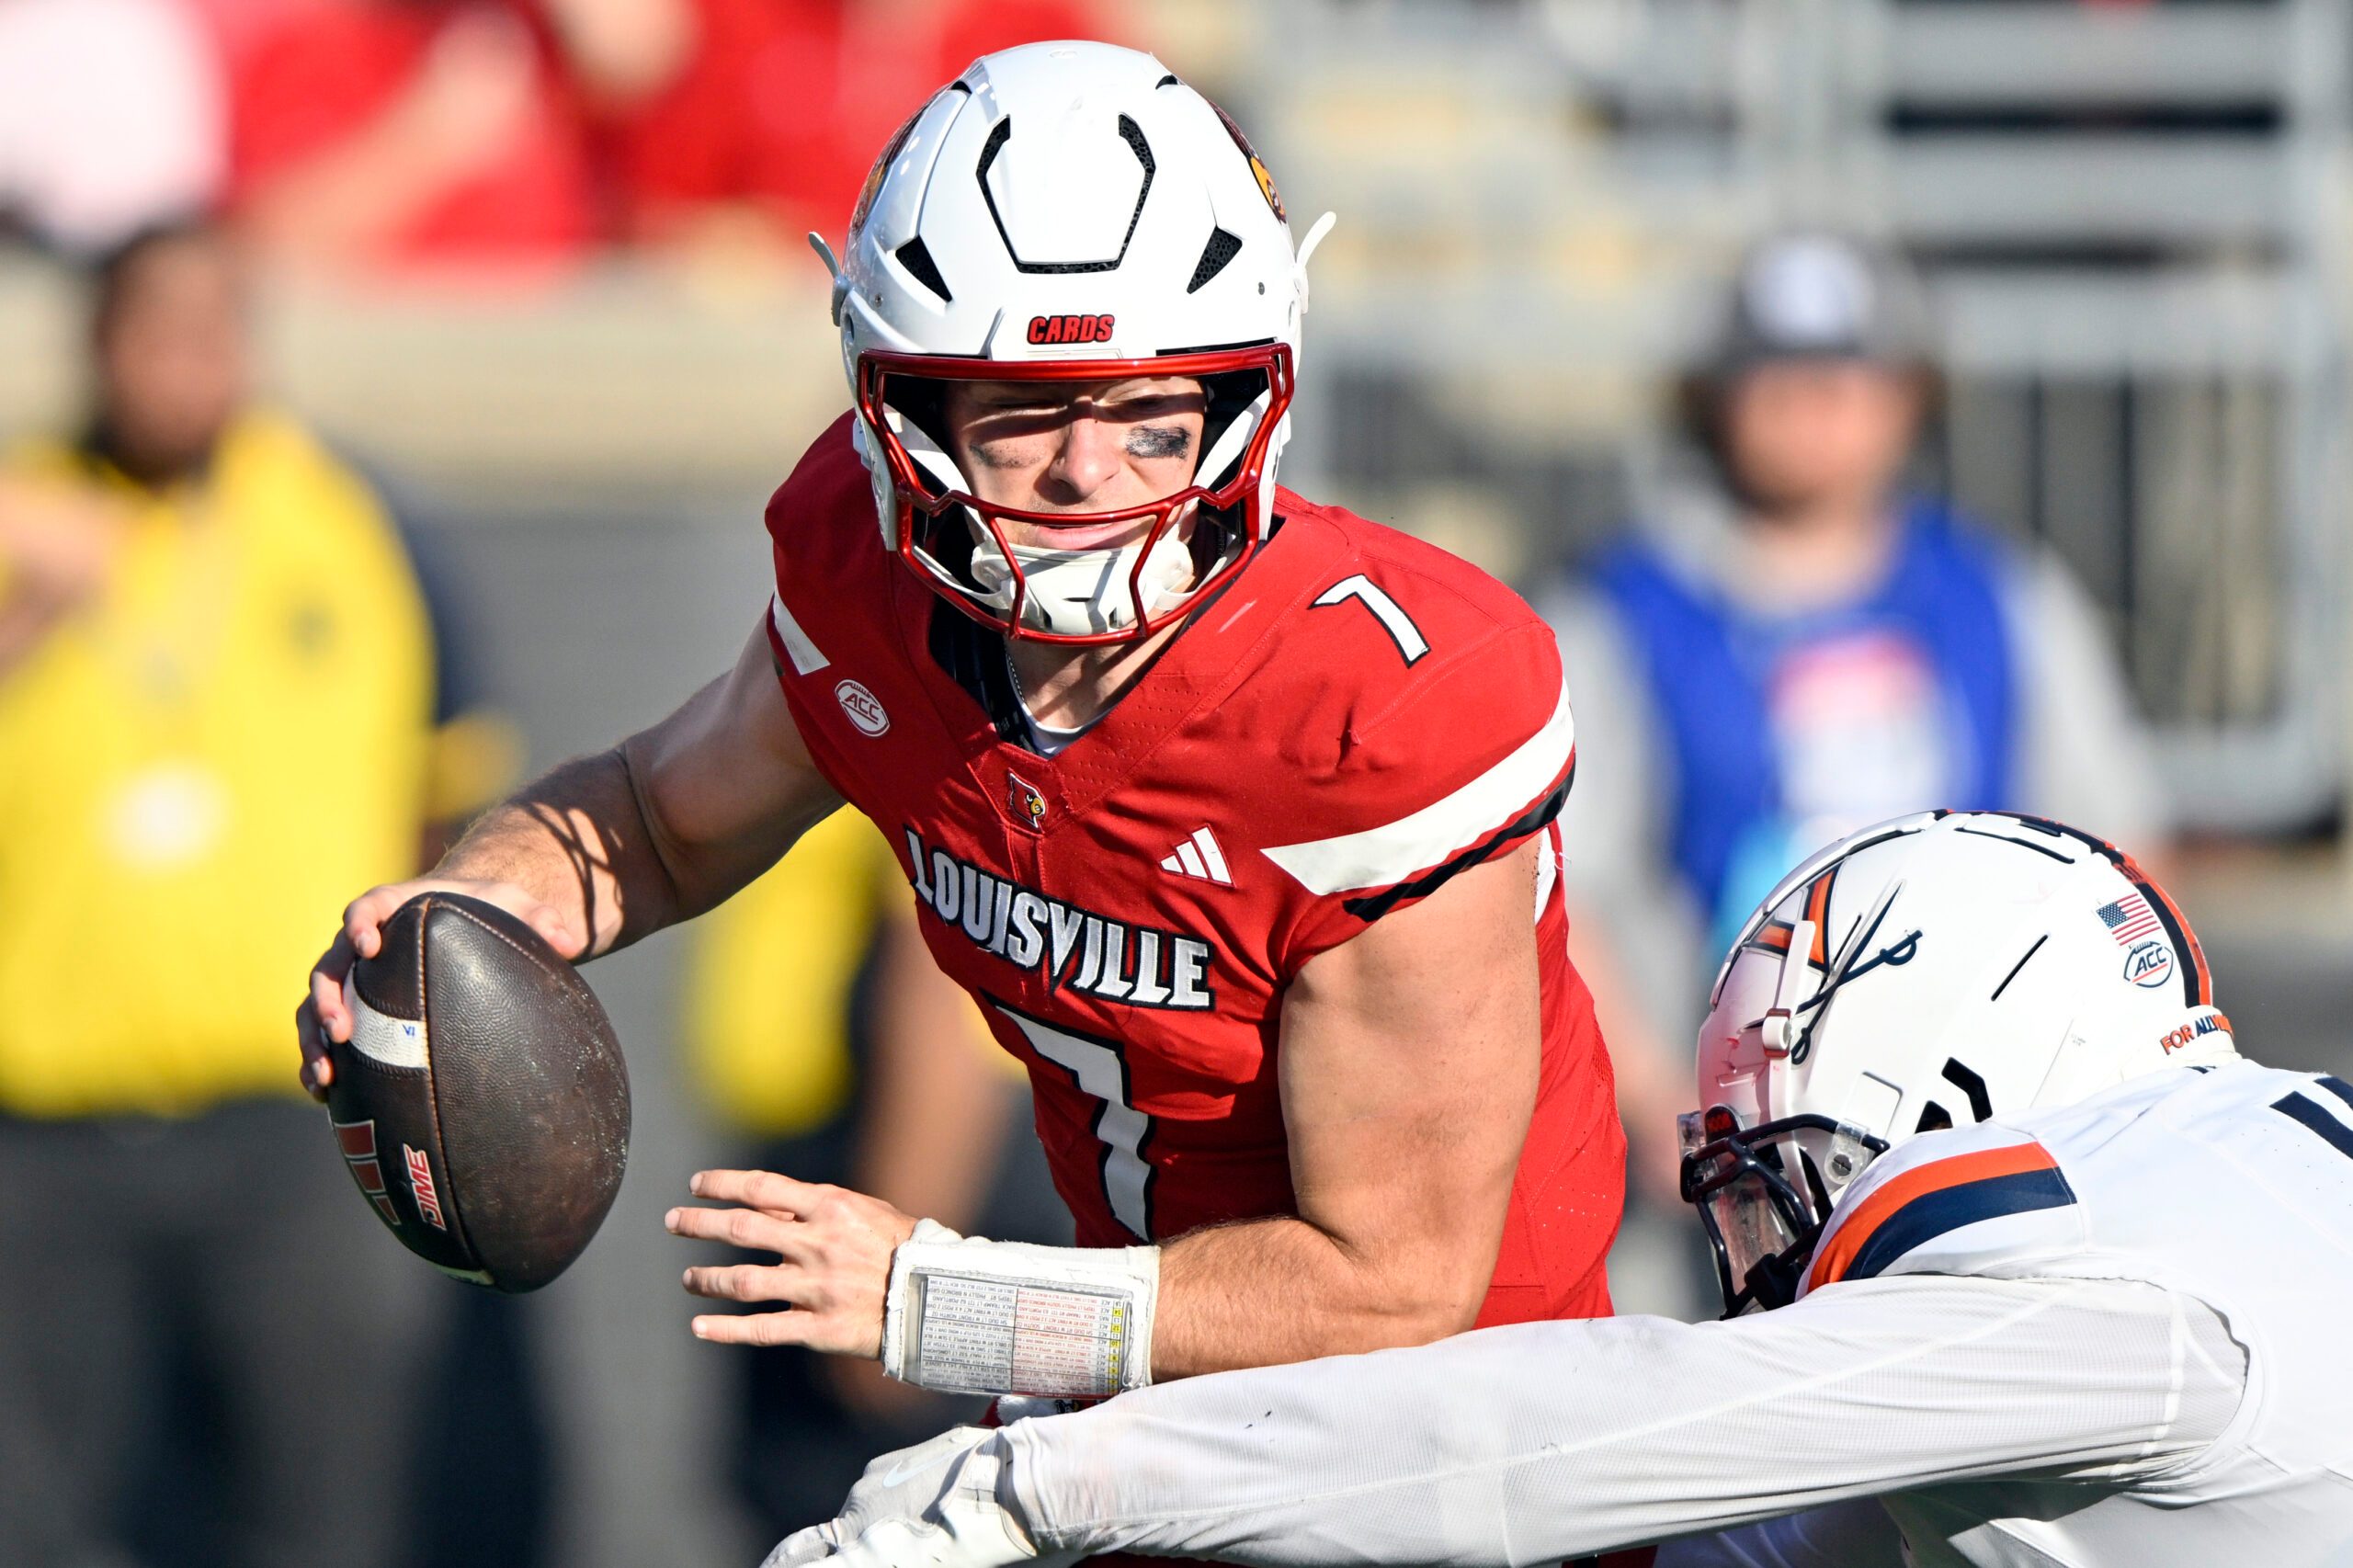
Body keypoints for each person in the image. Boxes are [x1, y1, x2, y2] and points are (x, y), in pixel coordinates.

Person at [299, 36, 1632, 1510]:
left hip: (1466, 1471)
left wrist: (940, 1299)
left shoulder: (1374, 710)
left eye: (1149, 413)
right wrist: (464, 912)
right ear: (904, 412)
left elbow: (1395, 1290)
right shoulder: (881, 589)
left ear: (1251, 393)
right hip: (1154, 1426)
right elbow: (659, 823)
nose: (1086, 475)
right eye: (1019, 412)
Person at [774, 808, 2353, 1568]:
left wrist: (1051, 1478)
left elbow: (1546, 1436)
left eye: (1779, 1194)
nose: (1772, 1269)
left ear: (1951, 1088)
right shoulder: (2250, 1187)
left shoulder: (2113, 1298)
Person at [1551, 231, 2172, 1217]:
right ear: (1710, 400)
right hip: (1707, 1154)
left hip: (1982, 1138)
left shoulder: (2000, 596)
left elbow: (2119, 860)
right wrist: (1665, 1114)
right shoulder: (1621, 615)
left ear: (1910, 397)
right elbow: (1563, 891)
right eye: (1776, 377)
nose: (1814, 406)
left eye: (1848, 375)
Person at [0, 219, 444, 1568]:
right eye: (152, 333)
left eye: (214, 332)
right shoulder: (25, 513)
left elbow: (455, 802)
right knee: (47, 1517)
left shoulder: (346, 518)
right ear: (93, 347)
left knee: (318, 1510)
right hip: (47, 1131)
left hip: (292, 1122)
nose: (184, 367)